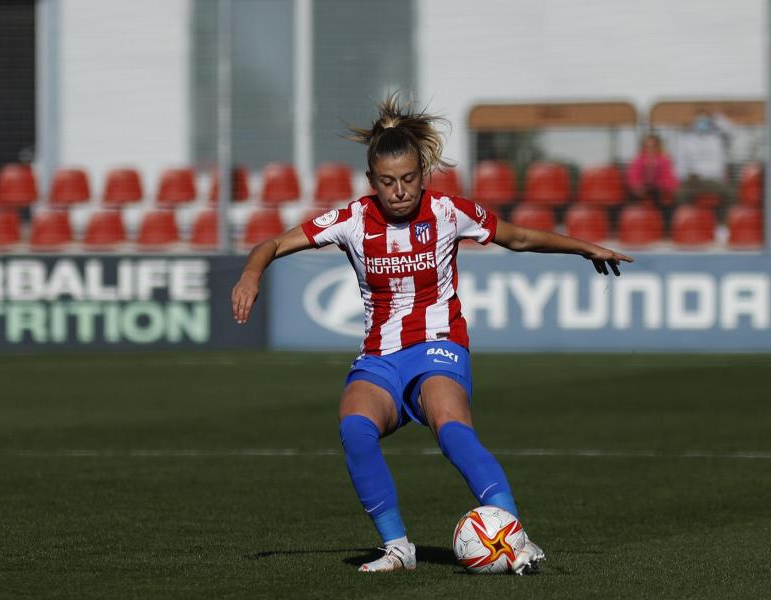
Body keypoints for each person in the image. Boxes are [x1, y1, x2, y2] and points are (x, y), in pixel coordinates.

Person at [230, 94, 632, 575]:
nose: (399, 191)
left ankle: (514, 536)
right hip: (380, 356)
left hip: (439, 345)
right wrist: (251, 274)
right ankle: (398, 548)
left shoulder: (448, 212)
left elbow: (520, 237)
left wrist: (584, 248)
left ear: (423, 175)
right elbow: (273, 243)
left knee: (450, 426)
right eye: (387, 182)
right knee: (354, 428)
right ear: (371, 181)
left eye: (408, 179)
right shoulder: (352, 220)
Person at [675, 110, 734, 206]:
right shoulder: (686, 139)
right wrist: (685, 177)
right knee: (680, 195)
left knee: (730, 195)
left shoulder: (718, 138)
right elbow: (680, 165)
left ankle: (722, 216)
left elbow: (731, 132)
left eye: (705, 119)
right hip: (694, 181)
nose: (702, 123)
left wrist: (715, 117)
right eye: (699, 119)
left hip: (714, 180)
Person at [626, 133, 678, 205]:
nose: (650, 149)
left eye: (653, 146)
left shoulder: (664, 160)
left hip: (659, 192)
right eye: (647, 146)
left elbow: (670, 180)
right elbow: (632, 177)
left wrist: (664, 187)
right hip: (640, 192)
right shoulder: (638, 159)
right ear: (643, 147)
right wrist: (637, 186)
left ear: (658, 147)